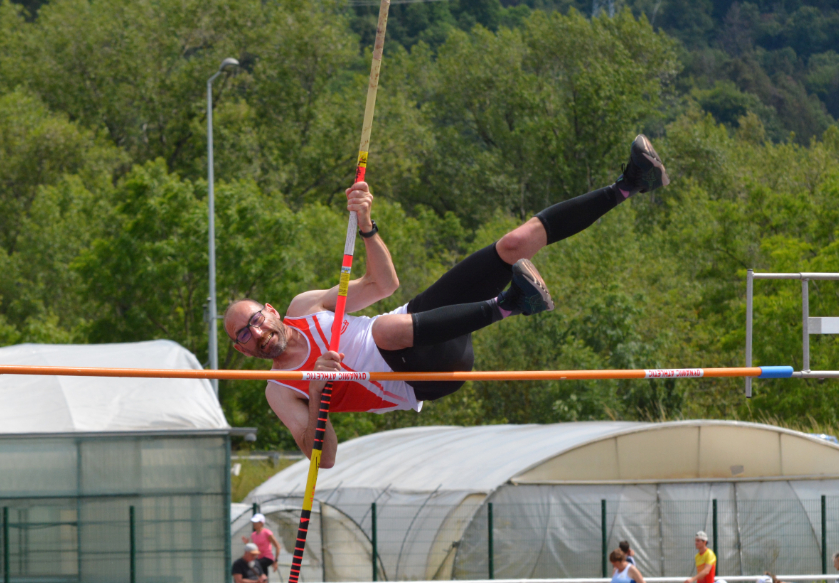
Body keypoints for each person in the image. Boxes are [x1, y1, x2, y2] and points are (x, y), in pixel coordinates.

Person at [223, 137, 669, 467]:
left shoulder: (306, 306)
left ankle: (630, 185)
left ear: (272, 312)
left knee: (513, 246)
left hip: (424, 324)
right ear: (242, 351)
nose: (257, 334)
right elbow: (324, 459)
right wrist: (320, 394)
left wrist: (366, 224)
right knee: (383, 330)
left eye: (255, 321)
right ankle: (510, 304)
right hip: (421, 377)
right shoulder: (280, 389)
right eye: (244, 337)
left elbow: (384, 284)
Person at [247, 513, 282, 581]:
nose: (254, 523)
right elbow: (254, 548)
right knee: (264, 578)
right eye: (254, 522)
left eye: (256, 522)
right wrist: (247, 543)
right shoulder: (253, 535)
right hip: (259, 559)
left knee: (255, 564)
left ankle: (262, 582)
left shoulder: (267, 533)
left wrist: (276, 561)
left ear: (261, 523)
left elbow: (277, 546)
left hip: (267, 558)